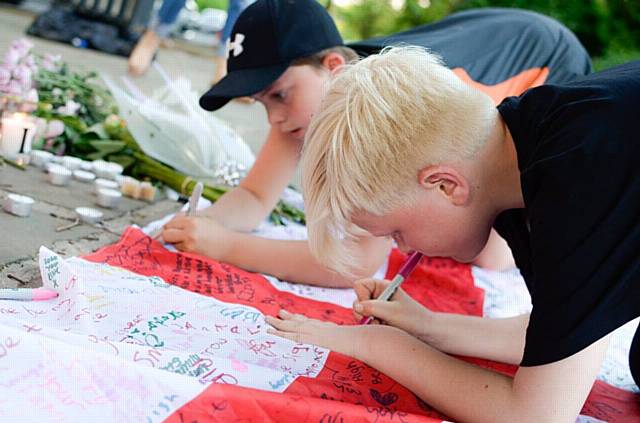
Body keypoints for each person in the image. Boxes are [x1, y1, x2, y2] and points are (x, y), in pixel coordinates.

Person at [266, 46, 640, 421]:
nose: (402, 247)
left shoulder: (580, 174)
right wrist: (429, 327)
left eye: (397, 232)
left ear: (445, 185)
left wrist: (380, 345)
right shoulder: (517, 149)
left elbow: (535, 415)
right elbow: (564, 332)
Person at [160, 0, 592, 287]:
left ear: (333, 66)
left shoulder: (387, 110)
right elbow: (255, 195)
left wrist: (227, 246)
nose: (274, 117)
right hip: (490, 35)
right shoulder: (308, 95)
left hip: (545, 62)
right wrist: (202, 223)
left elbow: (355, 263)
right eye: (260, 103)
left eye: (278, 95)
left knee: (492, 256)